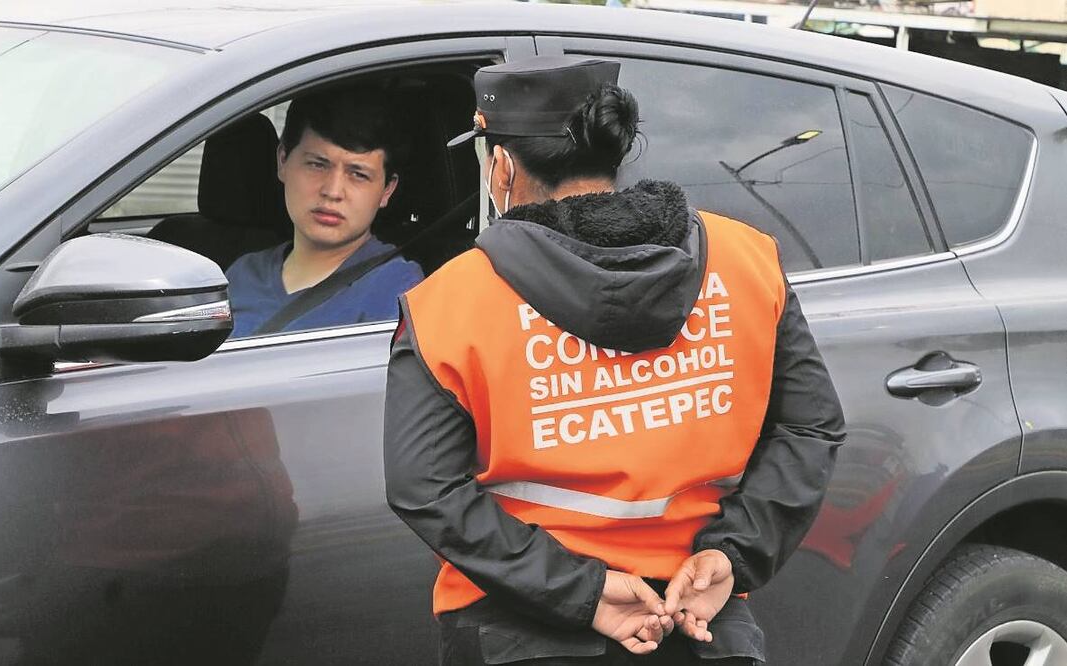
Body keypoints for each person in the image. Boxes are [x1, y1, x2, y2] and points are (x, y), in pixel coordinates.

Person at [383, 56, 845, 665]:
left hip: (518, 630)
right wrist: (734, 555)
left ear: (499, 168)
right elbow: (812, 426)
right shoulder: (746, 260)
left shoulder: (448, 302)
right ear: (614, 151)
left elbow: (424, 488)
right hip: (700, 623)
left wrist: (583, 591)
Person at [226, 88, 423, 337]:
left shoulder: (396, 289)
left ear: (387, 190)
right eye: (317, 165)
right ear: (283, 161)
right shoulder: (242, 274)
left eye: (358, 174)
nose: (332, 191)